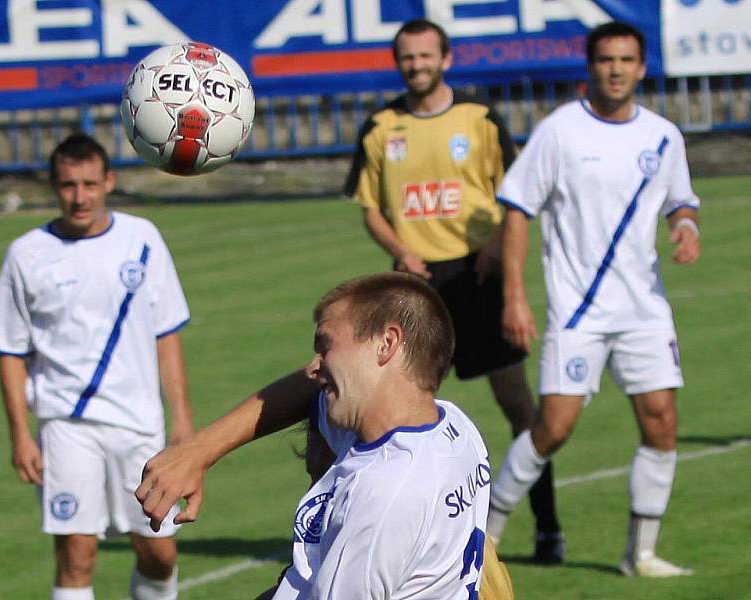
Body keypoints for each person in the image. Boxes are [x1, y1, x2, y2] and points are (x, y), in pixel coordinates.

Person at [344, 18, 564, 563]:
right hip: (415, 285)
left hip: (479, 276)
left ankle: (546, 529)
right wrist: (399, 249)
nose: (416, 66)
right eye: (407, 58)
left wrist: (495, 247)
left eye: (426, 56)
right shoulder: (380, 126)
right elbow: (369, 207)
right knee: (392, 410)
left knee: (516, 404)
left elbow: (517, 196)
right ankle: (392, 537)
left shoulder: (479, 119)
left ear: (447, 59)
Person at [136, 272, 499, 598]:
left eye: (326, 346)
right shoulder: (453, 426)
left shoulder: (384, 492)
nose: (314, 366)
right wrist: (198, 451)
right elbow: (305, 390)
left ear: (386, 343)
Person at [488, 21, 701, 577]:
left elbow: (681, 201)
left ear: (641, 68)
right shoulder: (560, 132)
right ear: (590, 67)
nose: (615, 69)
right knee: (553, 428)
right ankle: (485, 534)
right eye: (605, 59)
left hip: (644, 310)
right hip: (578, 312)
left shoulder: (663, 136)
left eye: (626, 60)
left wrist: (685, 225)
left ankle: (641, 553)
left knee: (661, 422)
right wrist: (515, 297)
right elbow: (516, 208)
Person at [0, 133, 193, 599]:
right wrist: (20, 433)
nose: (79, 197)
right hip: (67, 426)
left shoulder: (142, 239)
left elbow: (167, 334)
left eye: (89, 184)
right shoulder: (26, 254)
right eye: (67, 186)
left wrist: (182, 420)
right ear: (53, 187)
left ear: (109, 181)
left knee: (158, 554)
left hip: (139, 423)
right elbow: (9, 351)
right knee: (77, 555)